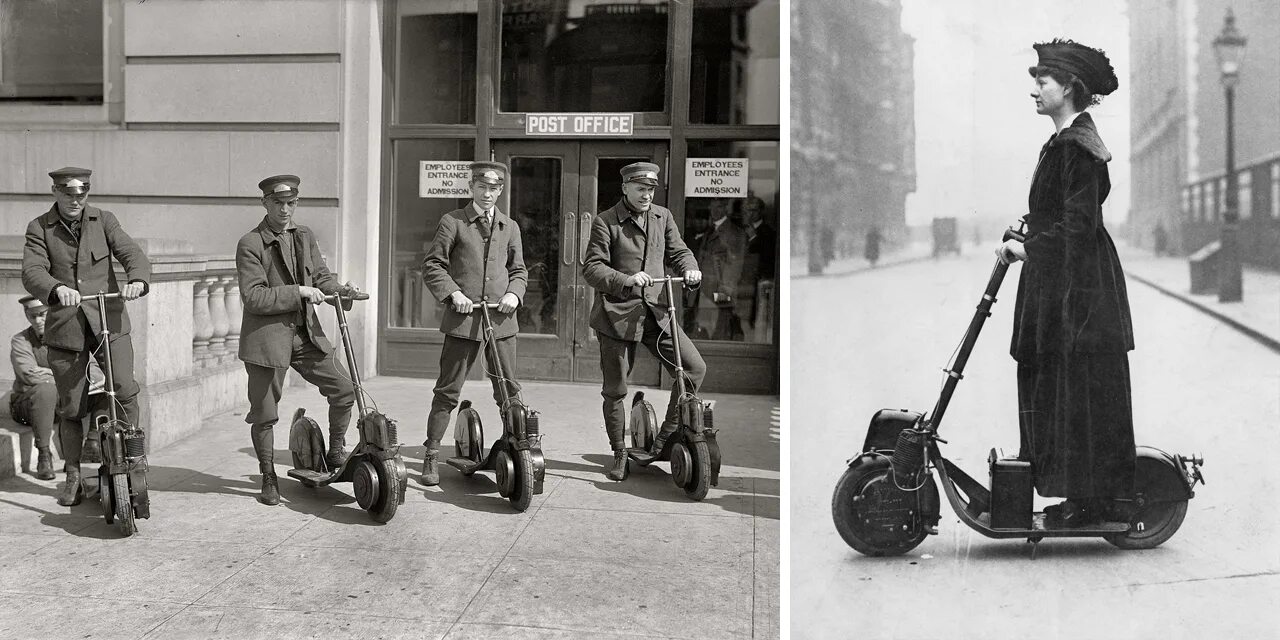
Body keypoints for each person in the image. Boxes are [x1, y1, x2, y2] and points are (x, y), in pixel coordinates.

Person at [996, 38, 1135, 527]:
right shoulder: (1062, 143)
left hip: (1080, 291)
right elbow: (1056, 213)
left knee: (1078, 388)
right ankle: (1076, 493)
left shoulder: (1079, 147)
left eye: (1043, 81)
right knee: (1058, 383)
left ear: (1069, 87)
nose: (1034, 89)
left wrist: (1029, 248)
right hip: (1062, 282)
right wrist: (1026, 232)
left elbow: (1078, 227)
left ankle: (1089, 499)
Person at [21, 167, 150, 506]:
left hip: (109, 319)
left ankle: (134, 458)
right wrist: (56, 288)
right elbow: (32, 271)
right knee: (72, 407)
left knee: (123, 388)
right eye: (68, 193)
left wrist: (136, 279)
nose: (75, 199)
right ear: (55, 192)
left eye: (81, 193)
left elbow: (132, 253)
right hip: (67, 327)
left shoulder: (104, 220)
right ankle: (74, 473)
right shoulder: (39, 228)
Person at [236, 175, 360, 506]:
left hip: (306, 337)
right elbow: (254, 298)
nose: (286, 209)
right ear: (265, 203)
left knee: (345, 388)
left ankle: (335, 450)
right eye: (278, 203)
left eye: (292, 203)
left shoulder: (304, 235)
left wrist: (341, 290)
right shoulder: (251, 243)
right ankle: (268, 476)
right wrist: (299, 292)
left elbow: (320, 276)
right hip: (266, 342)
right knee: (264, 414)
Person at [582, 162, 704, 481]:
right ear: (625, 188)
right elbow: (592, 268)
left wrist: (690, 268)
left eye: (651, 189)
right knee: (616, 389)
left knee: (692, 369)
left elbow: (679, 252)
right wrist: (626, 279)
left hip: (658, 313)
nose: (647, 194)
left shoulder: (663, 217)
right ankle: (620, 452)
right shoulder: (605, 222)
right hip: (617, 317)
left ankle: (665, 439)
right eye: (640, 189)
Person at [420, 162, 527, 486]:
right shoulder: (453, 222)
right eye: (482, 186)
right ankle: (432, 455)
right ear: (472, 187)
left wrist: (514, 294)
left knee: (508, 389)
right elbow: (433, 265)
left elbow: (519, 270)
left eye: (495, 188)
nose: (488, 192)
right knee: (448, 390)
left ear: (501, 190)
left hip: (501, 319)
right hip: (464, 320)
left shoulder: (509, 226)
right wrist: (453, 293)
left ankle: (517, 450)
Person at [697, 198, 746, 341]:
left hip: (719, 290)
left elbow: (734, 263)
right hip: (707, 289)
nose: (714, 211)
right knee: (708, 326)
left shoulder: (733, 232)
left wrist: (726, 290)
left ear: (725, 209)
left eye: (718, 207)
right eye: (711, 207)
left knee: (720, 328)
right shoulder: (712, 229)